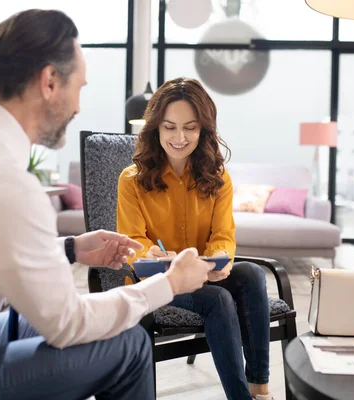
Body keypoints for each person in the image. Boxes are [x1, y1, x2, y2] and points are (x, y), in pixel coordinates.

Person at [0, 10, 214, 400]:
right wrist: (169, 283)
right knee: (128, 343)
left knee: (52, 318)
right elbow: (68, 325)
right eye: (79, 88)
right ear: (50, 81)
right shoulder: (2, 179)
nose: (79, 108)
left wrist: (71, 248)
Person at [117, 77, 274, 400]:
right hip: (159, 281)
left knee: (252, 273)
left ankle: (260, 389)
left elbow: (223, 237)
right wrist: (153, 257)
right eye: (170, 127)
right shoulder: (131, 181)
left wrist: (220, 262)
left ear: (202, 130)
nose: (179, 137)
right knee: (218, 300)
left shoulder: (217, 178)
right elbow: (132, 241)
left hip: (203, 275)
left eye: (190, 127)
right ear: (156, 128)